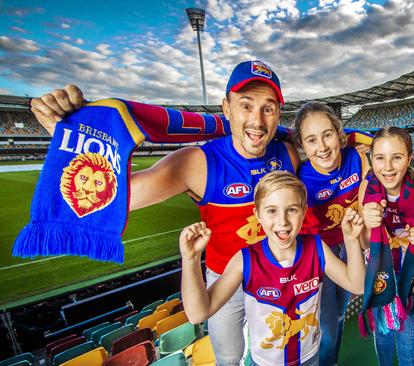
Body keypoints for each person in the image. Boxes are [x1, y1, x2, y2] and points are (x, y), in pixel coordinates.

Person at [29, 60, 300, 366]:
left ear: (279, 112)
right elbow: (117, 194)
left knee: (281, 348)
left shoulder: (287, 154)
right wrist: (72, 136)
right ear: (226, 108)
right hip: (226, 279)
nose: (258, 121)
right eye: (246, 105)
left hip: (278, 271)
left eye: (268, 108)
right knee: (228, 357)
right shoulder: (199, 163)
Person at [180, 171, 366, 366]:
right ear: (257, 214)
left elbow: (357, 286)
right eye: (271, 211)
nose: (282, 221)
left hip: (310, 357)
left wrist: (352, 240)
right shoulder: (246, 260)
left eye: (292, 210)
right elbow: (198, 313)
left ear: (303, 211)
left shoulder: (317, 248)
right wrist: (190, 259)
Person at [293, 102, 371, 366]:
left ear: (339, 133)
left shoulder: (357, 158)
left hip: (350, 248)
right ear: (302, 146)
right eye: (311, 140)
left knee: (338, 316)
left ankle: (331, 361)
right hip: (320, 255)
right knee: (326, 327)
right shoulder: (300, 179)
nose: (322, 147)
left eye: (327, 135)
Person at [359, 127, 414, 366]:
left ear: (409, 158)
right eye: (380, 158)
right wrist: (369, 226)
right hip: (380, 275)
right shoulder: (366, 188)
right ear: (372, 158)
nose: (388, 167)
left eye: (397, 157)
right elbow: (363, 242)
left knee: (407, 345)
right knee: (382, 338)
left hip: (411, 277)